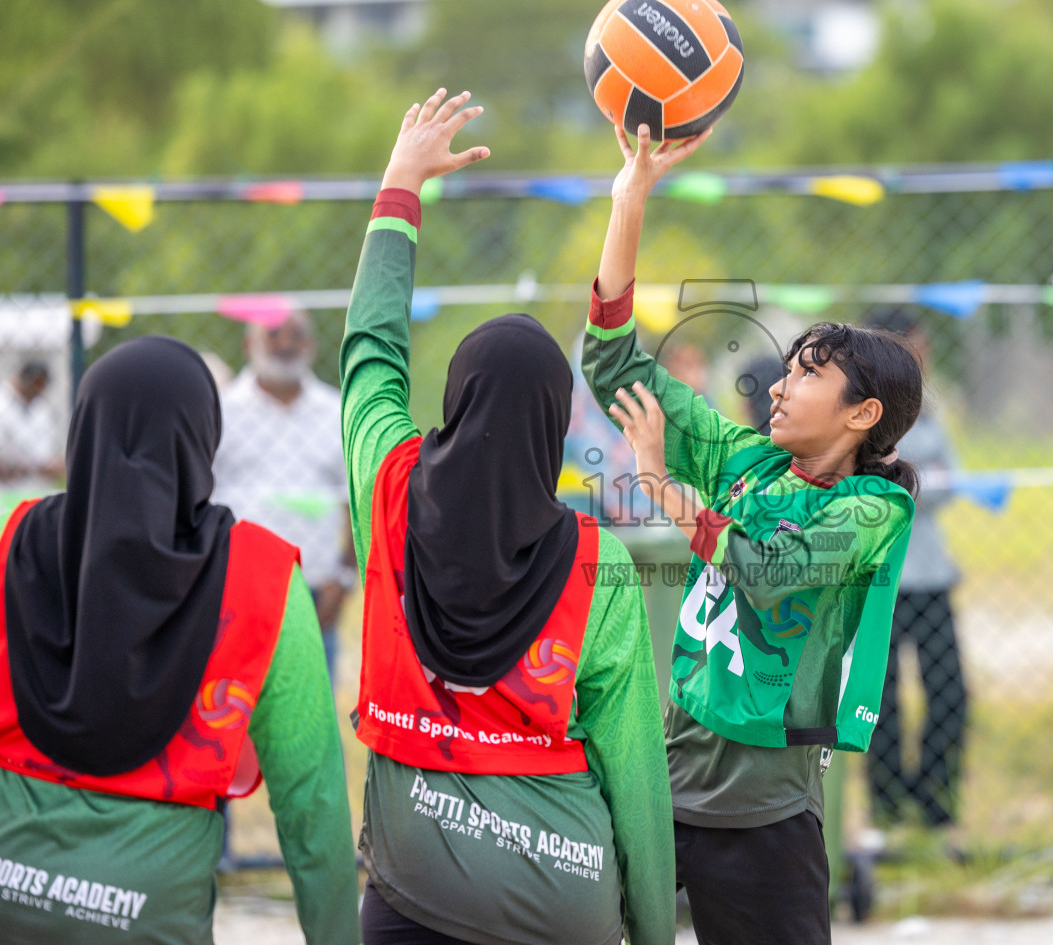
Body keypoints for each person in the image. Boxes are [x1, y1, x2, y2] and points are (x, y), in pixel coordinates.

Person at [343, 89, 674, 945]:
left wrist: (400, 189)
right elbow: (633, 771)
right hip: (566, 896)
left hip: (413, 890)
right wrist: (651, 931)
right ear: (558, 424)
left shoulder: (387, 485)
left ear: (454, 398)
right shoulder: (599, 564)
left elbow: (370, 351)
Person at [585, 122, 921, 945]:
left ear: (863, 413)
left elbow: (768, 571)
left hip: (765, 815)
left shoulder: (875, 511)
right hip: (669, 785)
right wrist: (629, 199)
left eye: (809, 374)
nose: (780, 386)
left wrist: (660, 482)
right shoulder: (749, 460)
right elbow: (613, 364)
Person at [0, 336, 358, 944]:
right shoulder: (260, 579)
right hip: (142, 911)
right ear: (202, 438)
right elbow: (313, 800)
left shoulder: (8, 541)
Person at [859, 307, 968, 835]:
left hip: (931, 573)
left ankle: (936, 803)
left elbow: (944, 481)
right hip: (878, 578)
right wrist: (918, 480)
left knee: (950, 693)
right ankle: (887, 807)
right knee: (878, 700)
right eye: (916, 346)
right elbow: (876, 487)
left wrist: (908, 478)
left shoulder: (930, 407)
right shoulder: (862, 408)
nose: (925, 356)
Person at [213, 311, 356, 682]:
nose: (286, 344)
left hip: (315, 589)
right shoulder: (219, 412)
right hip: (234, 586)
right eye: (274, 333)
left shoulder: (338, 411)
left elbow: (358, 504)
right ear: (248, 344)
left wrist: (344, 579)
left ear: (313, 345)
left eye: (298, 335)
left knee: (311, 713)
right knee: (236, 715)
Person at [0, 359, 65, 513]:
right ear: (27, 381)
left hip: (40, 496)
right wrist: (28, 468)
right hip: (6, 498)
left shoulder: (39, 407)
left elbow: (55, 461)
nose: (40, 391)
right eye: (37, 386)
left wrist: (47, 467)